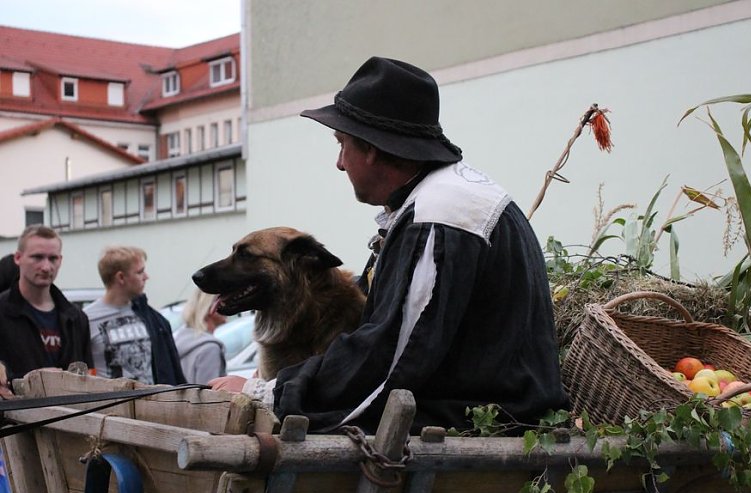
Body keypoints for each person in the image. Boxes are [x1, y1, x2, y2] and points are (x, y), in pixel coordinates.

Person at [218, 56, 568, 433]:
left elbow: (391, 356)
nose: (339, 163)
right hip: (495, 410)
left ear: (370, 149)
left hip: (480, 421)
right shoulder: (450, 200)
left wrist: (267, 393)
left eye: (342, 145)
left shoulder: (440, 215)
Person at [0, 225, 92, 386]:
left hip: (72, 410)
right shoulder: (2, 312)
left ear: (60, 260)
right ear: (18, 258)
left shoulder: (77, 318)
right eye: (37, 257)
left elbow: (88, 375)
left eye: (53, 258)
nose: (46, 267)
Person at [84, 246, 185, 385]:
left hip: (152, 402)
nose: (146, 277)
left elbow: (169, 367)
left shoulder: (149, 316)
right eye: (140, 272)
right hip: (110, 403)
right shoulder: (87, 319)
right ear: (121, 277)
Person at [173, 288, 227, 384]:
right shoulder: (210, 349)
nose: (227, 305)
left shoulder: (179, 340)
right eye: (222, 301)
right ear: (210, 306)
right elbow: (209, 395)